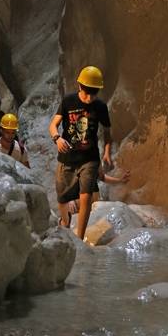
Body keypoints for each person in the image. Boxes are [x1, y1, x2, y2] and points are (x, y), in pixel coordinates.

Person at [49, 65, 129, 239]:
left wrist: (107, 152)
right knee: (62, 197)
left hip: (89, 158)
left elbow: (107, 134)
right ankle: (65, 222)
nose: (89, 97)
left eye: (94, 93)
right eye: (87, 92)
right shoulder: (68, 101)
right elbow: (53, 125)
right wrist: (57, 138)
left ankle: (79, 237)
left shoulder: (100, 107)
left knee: (85, 196)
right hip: (67, 157)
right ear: (80, 87)